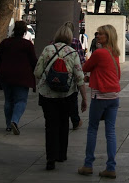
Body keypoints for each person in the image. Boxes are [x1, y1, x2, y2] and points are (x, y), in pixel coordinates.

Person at [34, 22, 87, 171]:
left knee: (50, 126)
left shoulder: (47, 50)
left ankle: (50, 158)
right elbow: (79, 77)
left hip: (47, 94)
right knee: (64, 124)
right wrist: (84, 98)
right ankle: (61, 154)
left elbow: (37, 72)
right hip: (67, 94)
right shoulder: (72, 52)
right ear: (70, 37)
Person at [78, 24, 121, 179]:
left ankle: (88, 164)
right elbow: (116, 75)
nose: (97, 36)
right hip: (114, 96)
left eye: (100, 34)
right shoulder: (114, 53)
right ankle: (111, 166)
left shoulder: (99, 53)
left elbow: (85, 67)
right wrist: (94, 77)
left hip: (100, 96)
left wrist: (90, 75)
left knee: (92, 129)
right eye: (97, 34)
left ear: (107, 37)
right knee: (110, 132)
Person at [0, 20, 37, 134]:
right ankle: (15, 120)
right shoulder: (27, 45)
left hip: (6, 75)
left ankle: (8, 124)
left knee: (8, 100)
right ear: (24, 31)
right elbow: (34, 62)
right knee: (21, 101)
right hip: (22, 77)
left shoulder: (5, 43)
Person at [65, 21, 86, 130]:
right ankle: (75, 120)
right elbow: (81, 59)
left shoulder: (52, 43)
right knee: (72, 99)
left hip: (56, 76)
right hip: (72, 75)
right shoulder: (76, 42)